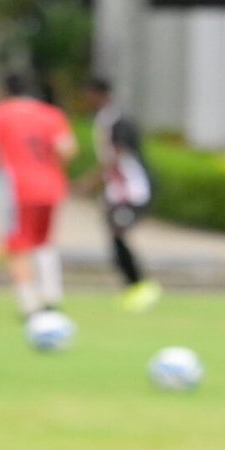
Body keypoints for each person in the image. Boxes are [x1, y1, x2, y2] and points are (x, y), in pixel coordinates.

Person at [0, 73, 76, 320]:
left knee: (18, 244)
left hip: (16, 188)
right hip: (51, 186)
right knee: (44, 241)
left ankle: (29, 303)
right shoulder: (51, 114)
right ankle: (52, 295)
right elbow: (67, 149)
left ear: (3, 89)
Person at [82, 76, 160, 311]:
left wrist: (89, 181)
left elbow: (118, 156)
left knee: (119, 233)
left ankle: (142, 285)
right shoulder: (104, 120)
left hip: (132, 191)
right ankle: (132, 286)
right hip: (117, 192)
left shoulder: (119, 121)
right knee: (115, 236)